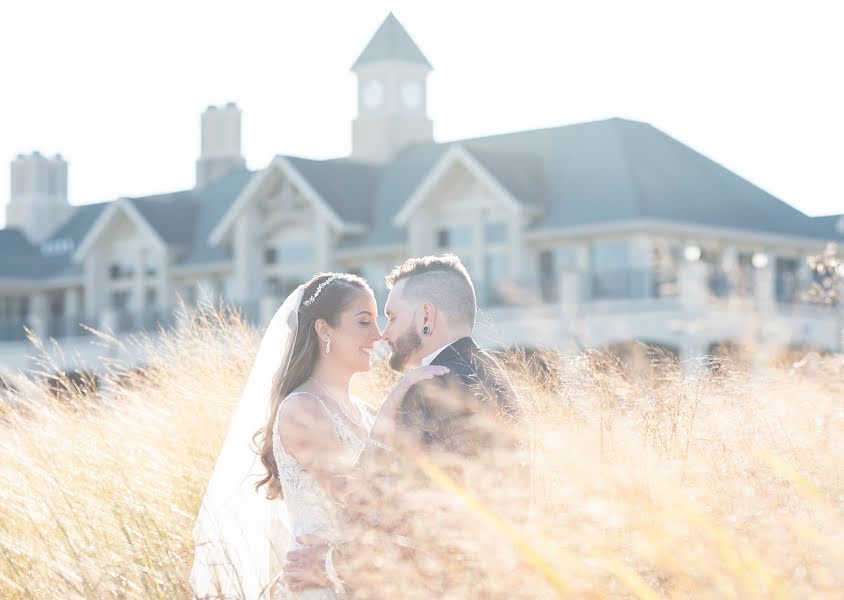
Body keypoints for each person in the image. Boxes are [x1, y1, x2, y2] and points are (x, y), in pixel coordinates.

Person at [189, 272, 448, 600]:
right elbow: (357, 499)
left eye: (378, 321)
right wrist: (394, 403)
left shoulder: (367, 412)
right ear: (324, 329)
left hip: (360, 582)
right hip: (316, 588)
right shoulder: (302, 409)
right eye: (363, 322)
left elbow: (393, 501)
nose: (379, 334)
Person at [284, 255, 521, 593]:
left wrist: (330, 565)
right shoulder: (495, 376)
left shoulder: (429, 389)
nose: (385, 333)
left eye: (392, 317)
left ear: (426, 316)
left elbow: (405, 513)